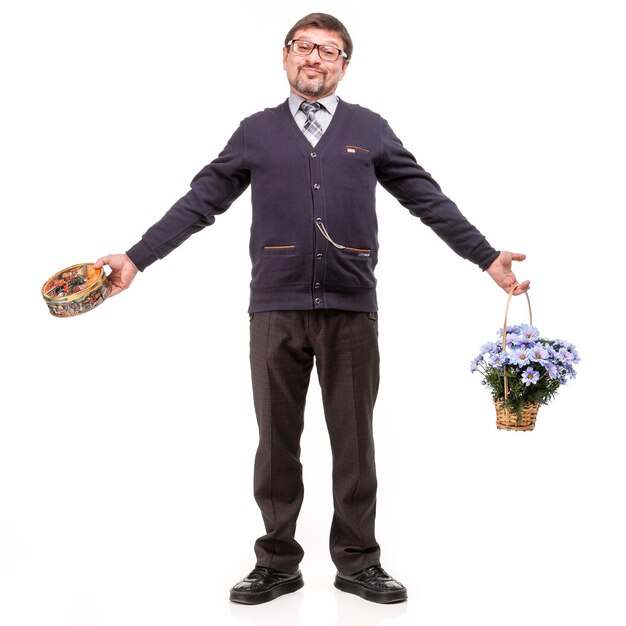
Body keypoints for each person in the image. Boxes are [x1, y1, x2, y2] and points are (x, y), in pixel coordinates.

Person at [95, 13, 529, 605]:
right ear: (285, 57)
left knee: (355, 441)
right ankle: (276, 564)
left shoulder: (369, 129)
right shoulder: (256, 131)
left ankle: (357, 563)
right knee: (276, 443)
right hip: (274, 308)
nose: (314, 58)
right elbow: (200, 201)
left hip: (352, 310)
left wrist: (485, 256)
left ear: (344, 65)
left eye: (328, 50)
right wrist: (136, 258)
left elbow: (426, 197)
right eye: (304, 47)